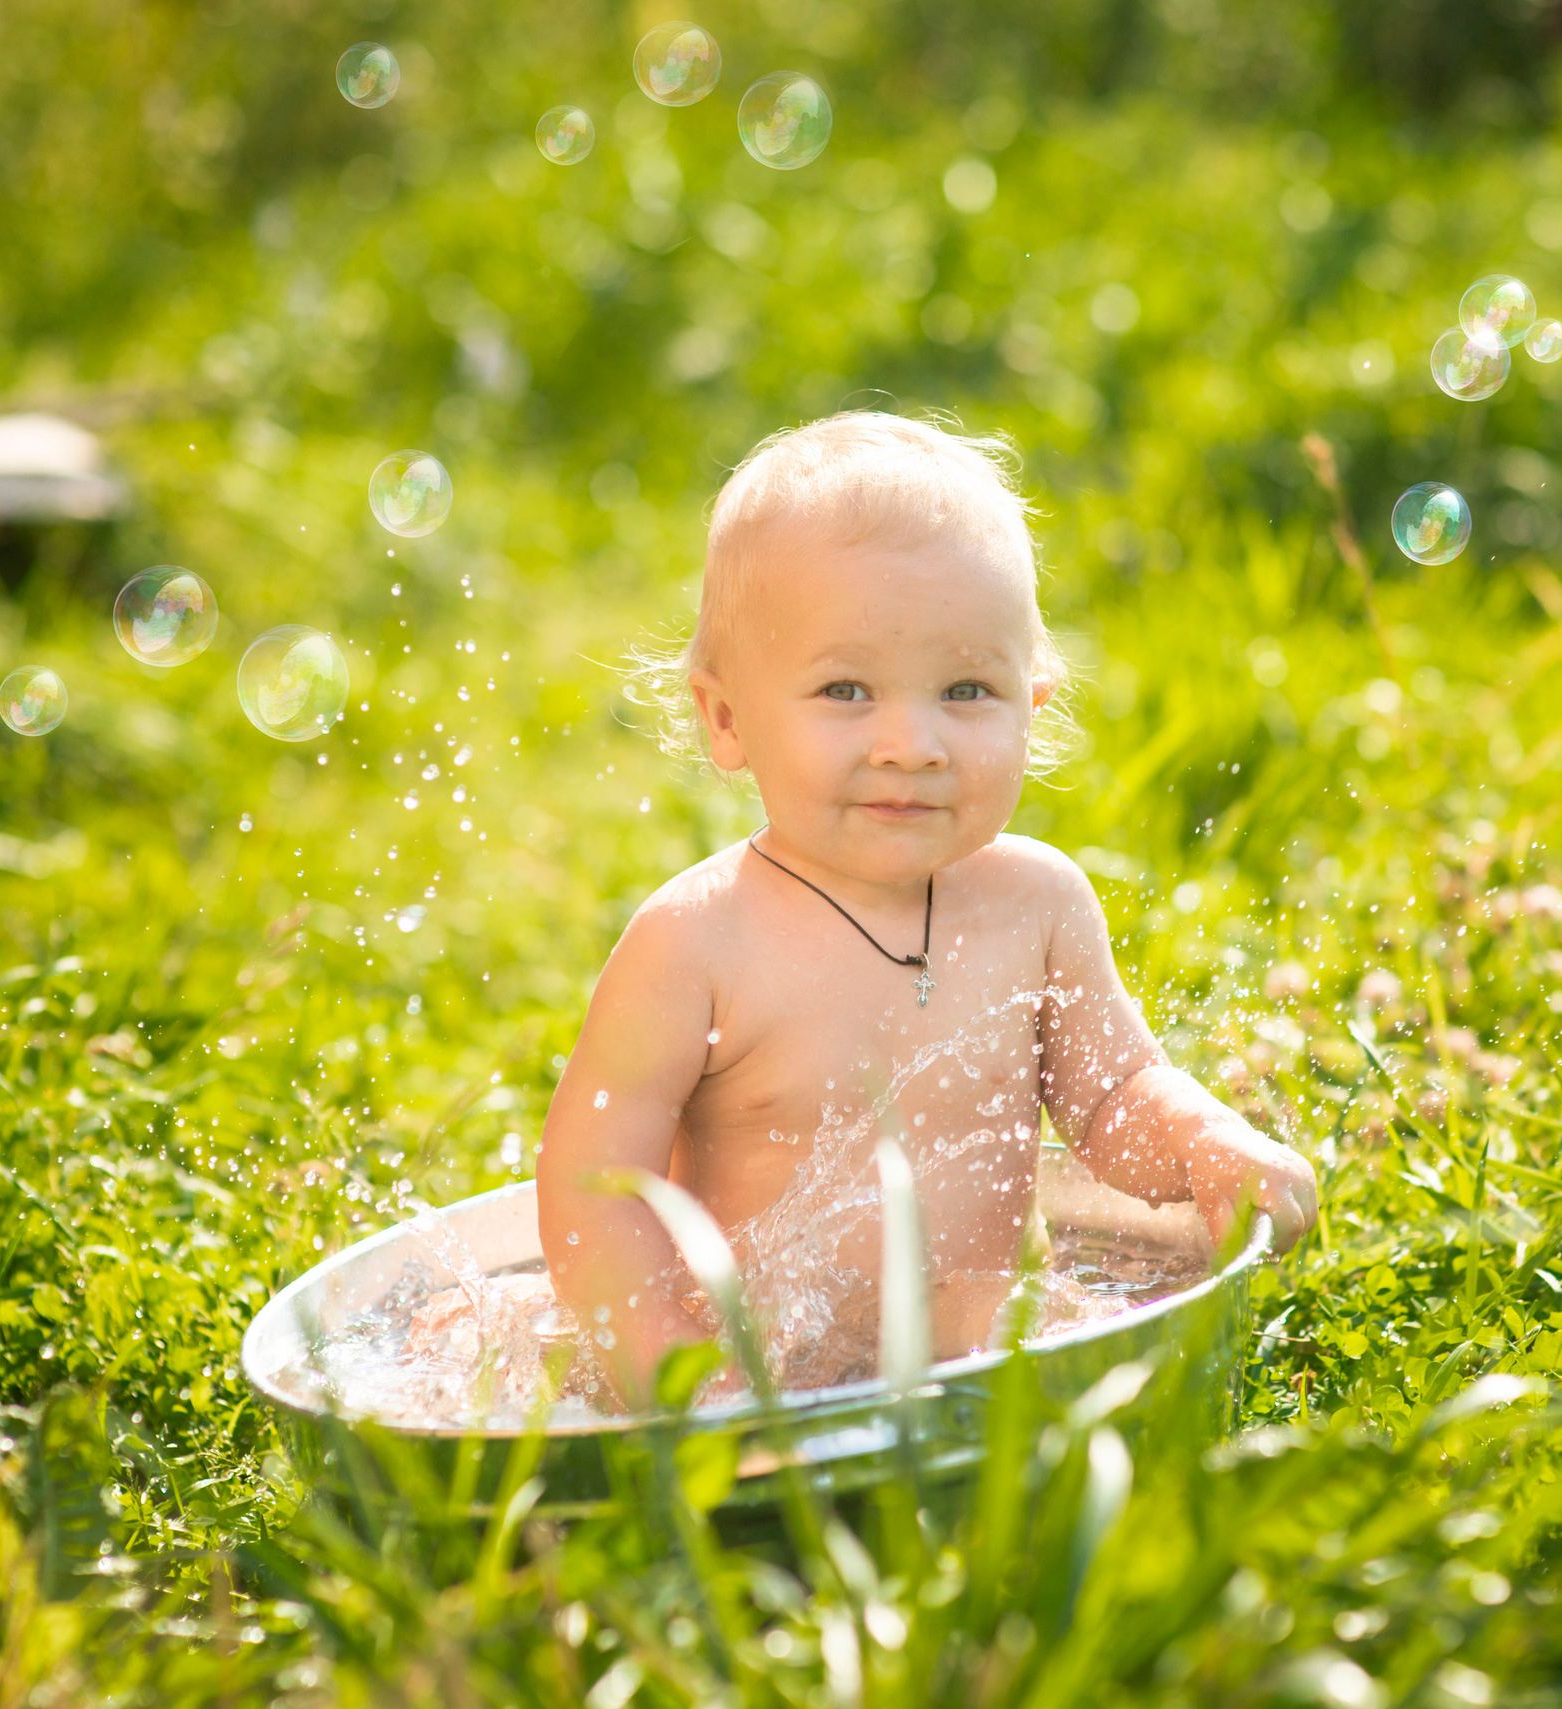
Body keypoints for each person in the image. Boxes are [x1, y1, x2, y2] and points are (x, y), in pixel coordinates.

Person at [534, 412, 1318, 1407]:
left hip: (977, 1356)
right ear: (727, 718)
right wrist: (676, 1362)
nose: (912, 741)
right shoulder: (697, 939)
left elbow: (1113, 1097)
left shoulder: (1034, 902)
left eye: (966, 688)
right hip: (763, 1368)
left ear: (1031, 705)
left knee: (1047, 1341)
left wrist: (1210, 1142)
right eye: (846, 688)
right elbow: (594, 1184)